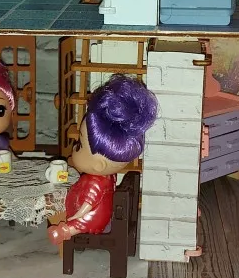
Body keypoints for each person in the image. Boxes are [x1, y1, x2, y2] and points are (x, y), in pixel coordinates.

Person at [48, 75, 158, 245]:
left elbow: (87, 204)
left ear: (99, 165)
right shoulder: (107, 176)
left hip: (91, 219)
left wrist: (75, 216)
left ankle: (66, 231)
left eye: (79, 145)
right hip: (99, 212)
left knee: (76, 223)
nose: (74, 148)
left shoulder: (95, 182)